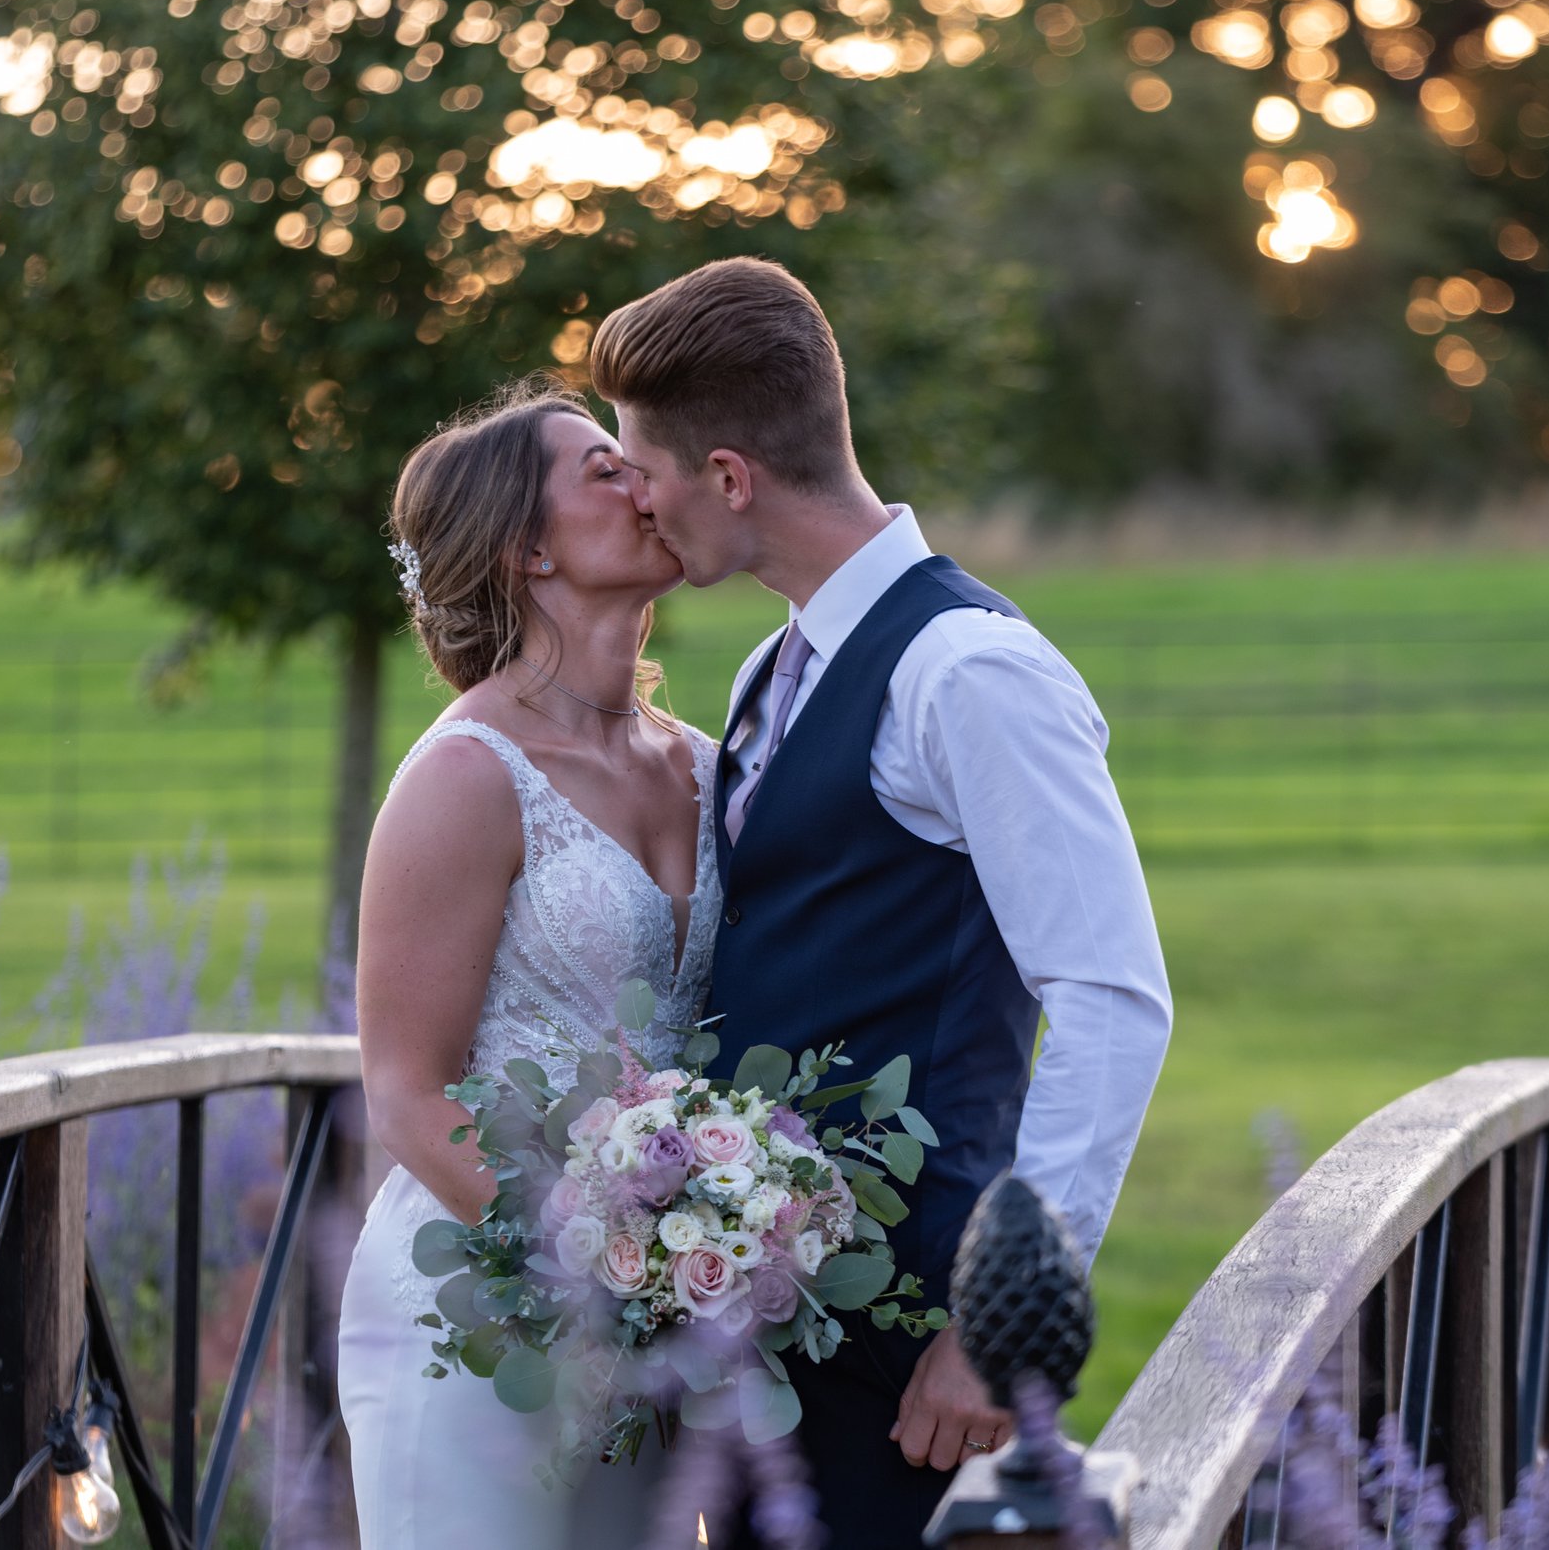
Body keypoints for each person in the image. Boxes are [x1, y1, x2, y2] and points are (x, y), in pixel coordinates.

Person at [590, 257, 1174, 1547]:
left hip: (914, 1345)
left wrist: (997, 1326)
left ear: (730, 477)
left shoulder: (970, 671)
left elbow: (1112, 997)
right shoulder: (768, 665)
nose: (630, 497)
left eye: (643, 466)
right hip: (769, 1334)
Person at [336, 381, 717, 1549]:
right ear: (525, 549)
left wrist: (680, 1271)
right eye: (604, 467)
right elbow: (406, 1092)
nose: (644, 479)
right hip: (482, 1314)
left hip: (664, 1321)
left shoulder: (710, 763)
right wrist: (588, 1275)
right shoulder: (465, 776)